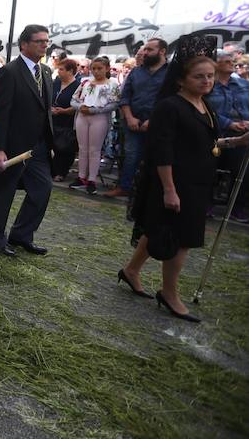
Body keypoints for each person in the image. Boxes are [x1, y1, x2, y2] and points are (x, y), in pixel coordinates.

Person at [121, 55, 249, 322]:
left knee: (159, 229)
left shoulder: (205, 106)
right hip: (176, 181)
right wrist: (169, 188)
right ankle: (169, 293)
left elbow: (208, 143)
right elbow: (162, 149)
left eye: (210, 76)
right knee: (182, 239)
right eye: (199, 76)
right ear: (181, 79)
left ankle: (131, 270)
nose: (206, 81)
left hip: (198, 181)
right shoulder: (170, 107)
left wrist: (238, 141)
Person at [0, 24, 53, 257]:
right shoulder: (10, 72)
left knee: (43, 189)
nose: (45, 44)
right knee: (4, 191)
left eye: (46, 41)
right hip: (14, 145)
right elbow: (2, 113)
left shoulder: (45, 72)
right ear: (24, 44)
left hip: (39, 147)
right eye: (39, 41)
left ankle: (22, 234)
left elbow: (45, 109)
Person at [104, 37, 168, 198]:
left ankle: (147, 192)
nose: (145, 52)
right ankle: (124, 187)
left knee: (154, 158)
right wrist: (130, 117)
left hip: (158, 123)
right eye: (145, 49)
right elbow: (125, 96)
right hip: (132, 121)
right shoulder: (136, 71)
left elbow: (170, 99)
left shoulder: (171, 73)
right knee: (131, 156)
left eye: (149, 49)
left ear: (162, 51)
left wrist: (154, 120)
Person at [207, 49, 249, 222]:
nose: (231, 62)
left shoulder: (243, 85)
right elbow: (206, 108)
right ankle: (206, 203)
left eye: (232, 60)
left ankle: (237, 206)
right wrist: (229, 123)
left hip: (243, 130)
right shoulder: (208, 84)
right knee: (209, 164)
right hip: (216, 129)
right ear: (215, 63)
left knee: (244, 169)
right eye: (226, 60)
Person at [69, 57, 120, 194]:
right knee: (82, 148)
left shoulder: (112, 84)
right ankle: (81, 177)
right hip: (83, 116)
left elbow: (114, 103)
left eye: (100, 68)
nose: (96, 72)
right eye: (94, 69)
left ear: (107, 69)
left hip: (99, 118)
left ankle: (92, 179)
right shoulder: (85, 82)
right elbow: (74, 99)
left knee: (94, 149)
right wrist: (81, 107)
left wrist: (95, 110)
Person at [50, 58, 79, 181]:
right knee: (53, 146)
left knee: (65, 147)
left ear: (70, 71)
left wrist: (64, 111)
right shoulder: (56, 83)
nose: (59, 72)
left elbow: (77, 104)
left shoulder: (77, 86)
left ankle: (61, 172)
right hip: (53, 119)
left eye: (61, 69)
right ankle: (52, 170)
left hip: (67, 121)